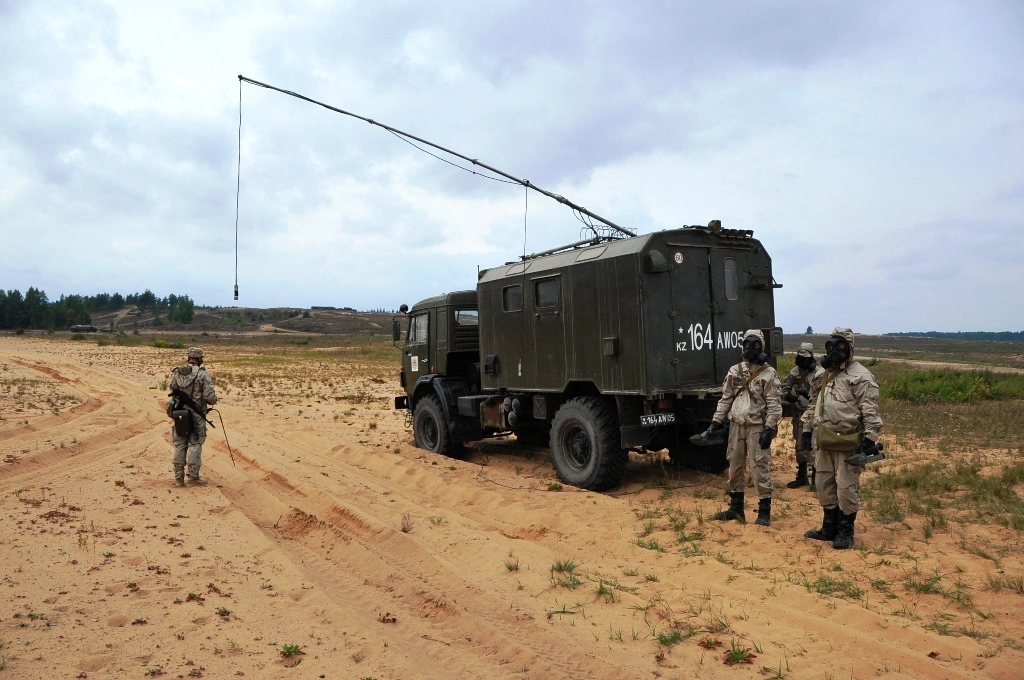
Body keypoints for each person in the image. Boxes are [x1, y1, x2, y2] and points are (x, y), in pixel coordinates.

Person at [800, 328, 882, 549]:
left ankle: (846, 532)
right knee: (824, 483)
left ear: (850, 348)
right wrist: (807, 430)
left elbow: (871, 411)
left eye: (841, 346)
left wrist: (869, 438)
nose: (834, 351)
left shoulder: (861, 376)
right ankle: (828, 528)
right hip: (824, 440)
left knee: (846, 487)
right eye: (830, 346)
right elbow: (813, 403)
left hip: (848, 441)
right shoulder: (821, 375)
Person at [701, 329, 782, 526]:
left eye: (755, 345)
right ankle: (736, 508)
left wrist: (769, 429)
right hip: (737, 425)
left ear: (762, 347)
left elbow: (774, 405)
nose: (751, 349)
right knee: (735, 467)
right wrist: (715, 423)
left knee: (759, 468)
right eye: (747, 344)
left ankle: (764, 511)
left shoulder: (769, 374)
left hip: (757, 427)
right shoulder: (735, 371)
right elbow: (725, 399)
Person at [168, 347, 218, 487]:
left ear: (189, 357)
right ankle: (193, 477)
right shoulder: (202, 375)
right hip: (197, 415)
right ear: (200, 359)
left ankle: (178, 478)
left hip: (179, 414)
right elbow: (210, 397)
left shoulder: (177, 373)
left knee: (180, 444)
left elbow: (172, 391)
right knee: (195, 444)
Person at [781, 342, 824, 488]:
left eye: (806, 358)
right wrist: (789, 397)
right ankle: (802, 476)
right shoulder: (794, 372)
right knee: (800, 445)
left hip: (816, 413)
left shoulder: (820, 373)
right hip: (800, 413)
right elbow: (784, 388)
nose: (804, 361)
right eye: (801, 357)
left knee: (815, 445)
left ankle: (816, 478)